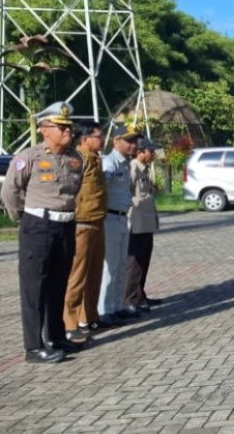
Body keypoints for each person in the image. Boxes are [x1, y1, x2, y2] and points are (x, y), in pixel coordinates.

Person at [0, 102, 83, 364]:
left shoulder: (75, 158)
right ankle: (34, 348)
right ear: (45, 130)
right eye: (61, 127)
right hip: (37, 226)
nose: (68, 131)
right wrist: (23, 219)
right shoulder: (29, 157)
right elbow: (9, 192)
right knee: (34, 288)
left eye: (69, 126)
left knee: (58, 285)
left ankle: (57, 338)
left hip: (66, 225)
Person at [62, 119, 107, 345]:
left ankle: (88, 318)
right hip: (82, 223)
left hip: (98, 221)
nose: (103, 139)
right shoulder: (77, 160)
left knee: (94, 275)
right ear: (85, 139)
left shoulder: (95, 159)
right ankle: (70, 323)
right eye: (99, 136)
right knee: (77, 276)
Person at [98, 123, 141, 325]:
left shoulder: (123, 163)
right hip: (110, 219)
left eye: (135, 141)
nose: (134, 145)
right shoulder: (110, 163)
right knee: (110, 267)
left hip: (122, 218)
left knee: (121, 265)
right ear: (116, 142)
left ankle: (116, 306)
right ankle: (104, 310)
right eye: (129, 141)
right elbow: (100, 190)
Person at [124, 138, 160, 312]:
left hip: (146, 221)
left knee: (144, 259)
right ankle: (129, 299)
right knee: (134, 262)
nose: (153, 154)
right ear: (140, 151)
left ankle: (139, 294)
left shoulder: (144, 169)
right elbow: (126, 192)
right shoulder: (132, 168)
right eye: (150, 151)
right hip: (135, 222)